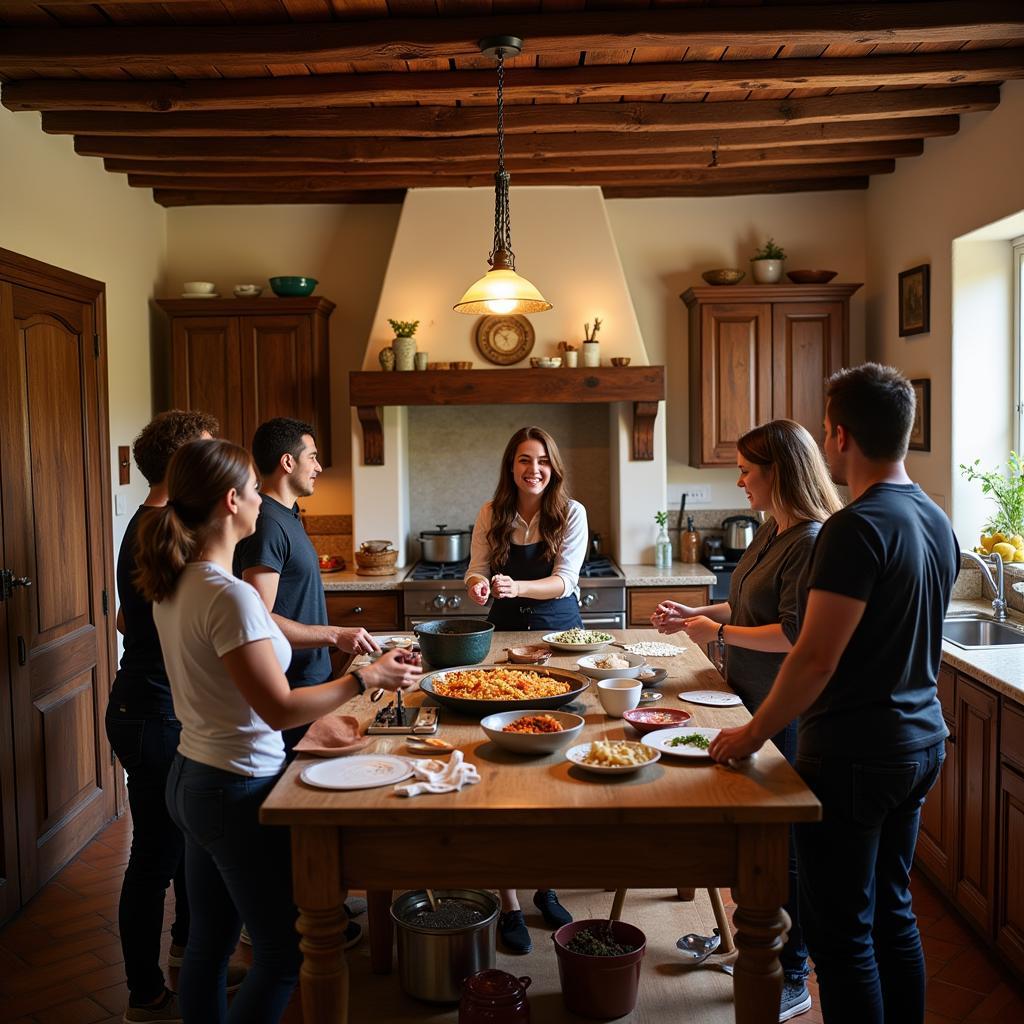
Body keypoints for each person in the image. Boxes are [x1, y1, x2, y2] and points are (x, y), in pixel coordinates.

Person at [135, 438, 420, 1024]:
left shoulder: (175, 584)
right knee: (283, 955)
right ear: (231, 500)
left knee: (209, 949)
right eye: (253, 491)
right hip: (233, 789)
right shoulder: (230, 597)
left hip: (192, 777)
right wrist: (367, 678)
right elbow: (279, 708)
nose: (262, 502)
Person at [710, 364, 960, 1024]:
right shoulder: (936, 518)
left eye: (826, 430)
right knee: (892, 914)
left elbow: (815, 656)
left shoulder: (855, 528)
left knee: (843, 935)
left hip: (854, 752)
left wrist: (752, 733)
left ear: (841, 435)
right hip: (921, 742)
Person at [651, 419, 843, 1023]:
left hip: (782, 710)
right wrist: (696, 614)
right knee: (754, 842)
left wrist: (719, 633)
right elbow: (744, 602)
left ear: (778, 474)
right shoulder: (773, 529)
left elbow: (793, 634)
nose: (739, 481)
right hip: (743, 696)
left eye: (747, 471)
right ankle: (756, 941)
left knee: (784, 849)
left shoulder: (811, 539)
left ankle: (791, 974)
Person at [104, 409, 238, 1023]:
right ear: (186, 461)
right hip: (153, 712)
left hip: (151, 704)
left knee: (185, 845)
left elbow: (134, 621)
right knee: (156, 853)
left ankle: (189, 959)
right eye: (209, 451)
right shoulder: (165, 528)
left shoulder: (149, 521)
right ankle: (143, 993)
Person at [234, 417, 376, 948]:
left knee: (314, 798)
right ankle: (295, 919)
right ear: (287, 462)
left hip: (310, 677)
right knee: (299, 806)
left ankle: (320, 900)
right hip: (289, 688)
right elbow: (261, 613)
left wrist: (332, 643)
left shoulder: (287, 516)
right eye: (313, 455)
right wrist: (334, 634)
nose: (320, 464)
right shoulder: (268, 523)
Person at [465, 426, 587, 953]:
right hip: (506, 644)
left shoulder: (572, 512)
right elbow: (474, 575)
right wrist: (477, 587)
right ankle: (510, 901)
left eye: (540, 461)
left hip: (560, 640)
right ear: (510, 466)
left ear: (552, 466)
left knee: (554, 768)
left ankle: (547, 884)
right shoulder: (491, 512)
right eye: (522, 461)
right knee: (500, 770)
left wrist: (518, 584)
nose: (532, 469)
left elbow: (565, 579)